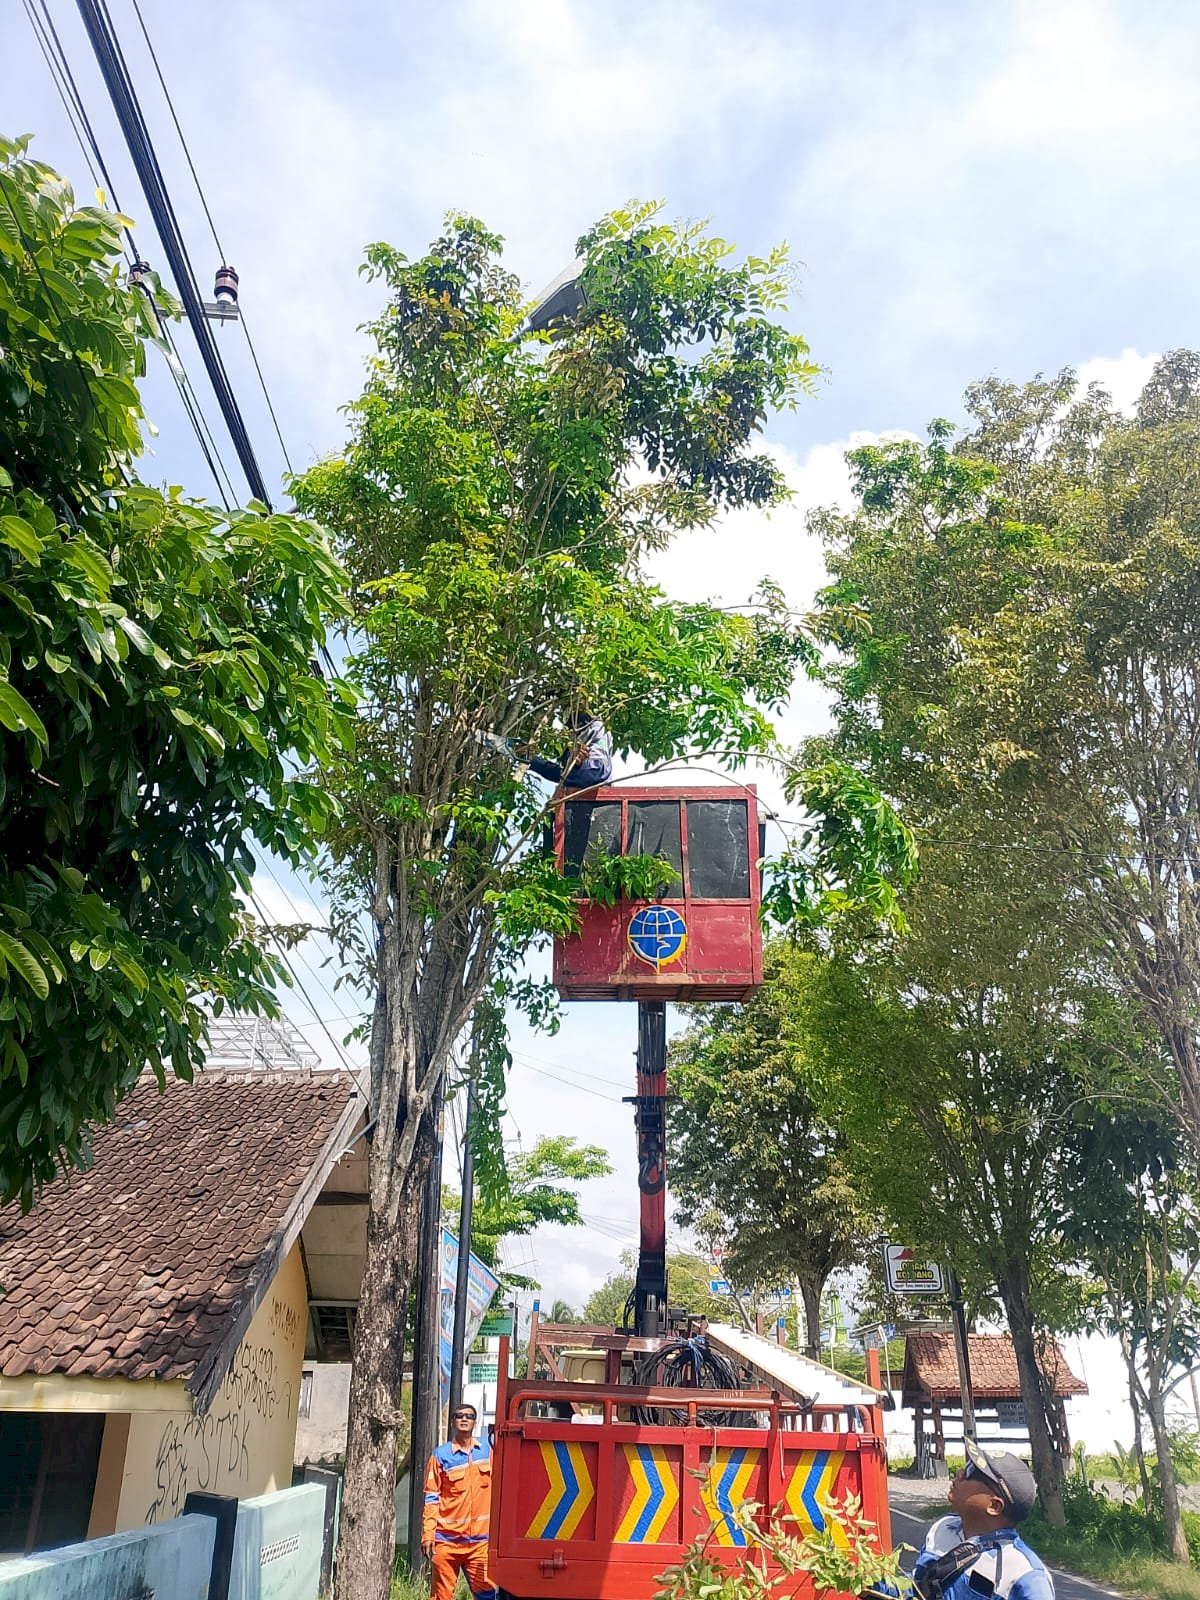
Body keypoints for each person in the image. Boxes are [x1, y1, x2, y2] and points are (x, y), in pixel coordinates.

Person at [913, 1443, 1053, 1600]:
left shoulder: (1026, 1575)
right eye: (967, 1466)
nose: (959, 1474)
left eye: (971, 1472)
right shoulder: (943, 1528)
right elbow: (913, 1590)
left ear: (994, 1506)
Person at [422, 1403, 496, 1600]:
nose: (464, 1419)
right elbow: (431, 1497)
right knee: (442, 1596)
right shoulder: (440, 1456)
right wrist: (428, 1534)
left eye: (469, 1416)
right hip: (447, 1542)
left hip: (480, 1543)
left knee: (487, 1594)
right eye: (459, 1415)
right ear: (453, 1421)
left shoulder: (487, 1451)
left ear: (475, 1421)